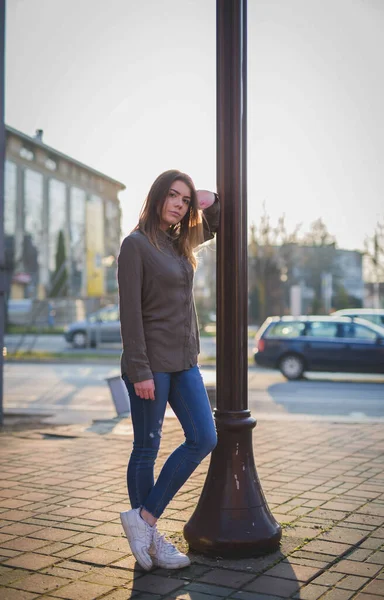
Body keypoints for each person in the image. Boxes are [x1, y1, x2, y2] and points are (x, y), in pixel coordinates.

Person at [117, 170, 220, 571]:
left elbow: (219, 209)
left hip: (184, 363)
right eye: (173, 195)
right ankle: (153, 540)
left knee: (203, 437)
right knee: (147, 448)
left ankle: (143, 521)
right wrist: (140, 369)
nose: (179, 204)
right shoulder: (135, 246)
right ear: (157, 196)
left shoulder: (181, 244)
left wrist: (199, 194)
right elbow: (130, 315)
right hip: (150, 366)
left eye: (185, 200)